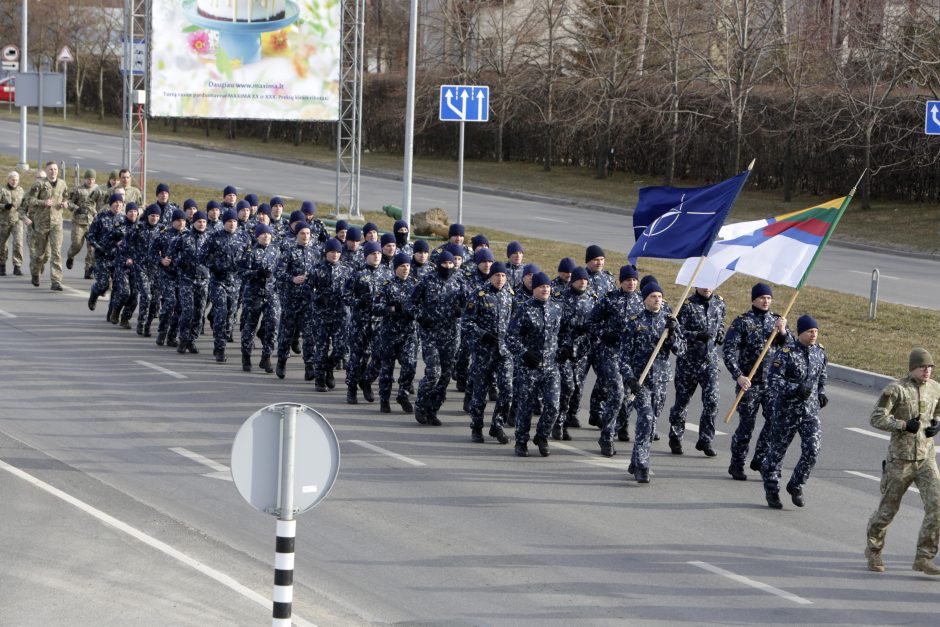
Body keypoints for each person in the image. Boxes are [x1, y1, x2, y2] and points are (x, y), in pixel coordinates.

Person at [865, 348, 940, 575]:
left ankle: (924, 557)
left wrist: (937, 422)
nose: (926, 371)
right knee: (887, 511)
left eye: (929, 367)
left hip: (926, 458)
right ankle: (874, 550)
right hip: (900, 461)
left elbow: (938, 409)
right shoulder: (896, 390)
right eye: (922, 367)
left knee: (937, 507)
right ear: (912, 368)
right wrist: (904, 425)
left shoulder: (936, 388)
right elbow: (876, 418)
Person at [723, 282, 791, 481]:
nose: (765, 301)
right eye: (762, 298)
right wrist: (738, 375)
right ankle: (737, 463)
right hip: (749, 382)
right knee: (747, 425)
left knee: (774, 423)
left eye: (769, 298)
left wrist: (784, 332)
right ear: (754, 299)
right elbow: (728, 351)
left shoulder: (778, 321)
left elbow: (791, 350)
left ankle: (760, 459)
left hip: (771, 384)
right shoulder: (742, 322)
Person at [761, 314, 828, 509]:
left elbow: (821, 376)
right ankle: (772, 489)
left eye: (816, 331)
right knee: (776, 453)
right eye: (810, 331)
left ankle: (796, 484)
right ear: (801, 333)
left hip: (810, 412)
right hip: (787, 411)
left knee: (813, 449)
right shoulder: (786, 353)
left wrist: (821, 392)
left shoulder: (819, 352)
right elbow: (773, 381)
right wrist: (794, 389)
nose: (814, 335)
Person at [621, 281, 685, 483]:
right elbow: (623, 356)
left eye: (659, 296)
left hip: (660, 380)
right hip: (640, 382)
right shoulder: (633, 322)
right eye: (652, 296)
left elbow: (681, 351)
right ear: (644, 299)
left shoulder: (669, 322)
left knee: (650, 423)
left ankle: (635, 459)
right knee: (646, 418)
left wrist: (673, 333)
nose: (657, 299)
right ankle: (642, 465)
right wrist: (630, 378)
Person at [507, 271, 562, 457]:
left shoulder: (556, 309)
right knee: (526, 406)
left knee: (554, 406)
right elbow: (510, 337)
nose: (545, 289)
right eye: (541, 286)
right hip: (529, 367)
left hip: (551, 367)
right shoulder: (524, 309)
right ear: (534, 289)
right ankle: (521, 441)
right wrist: (524, 353)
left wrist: (564, 350)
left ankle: (542, 436)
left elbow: (560, 335)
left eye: (547, 286)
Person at [667, 286, 727, 457]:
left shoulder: (719, 303)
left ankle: (705, 439)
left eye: (710, 285)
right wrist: (695, 335)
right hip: (688, 362)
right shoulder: (687, 306)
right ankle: (676, 436)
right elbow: (678, 331)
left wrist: (721, 333)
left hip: (710, 362)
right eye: (703, 285)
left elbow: (721, 322)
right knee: (682, 402)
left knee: (712, 401)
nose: (707, 288)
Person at [408, 251, 466, 426]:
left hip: (451, 335)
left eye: (450, 264)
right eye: (444, 264)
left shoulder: (460, 281)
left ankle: (432, 409)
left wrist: (461, 311)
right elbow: (411, 303)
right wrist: (420, 316)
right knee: (434, 373)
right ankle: (421, 404)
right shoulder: (427, 281)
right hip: (430, 334)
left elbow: (469, 305)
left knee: (445, 376)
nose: (447, 267)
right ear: (438, 264)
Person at [464, 261, 515, 444]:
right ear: (491, 276)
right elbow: (467, 322)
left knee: (507, 390)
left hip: (504, 352)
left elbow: (514, 322)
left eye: (503, 276)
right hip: (483, 351)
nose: (500, 279)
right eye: (496, 275)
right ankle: (476, 427)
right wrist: (482, 334)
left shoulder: (510, 295)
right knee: (480, 392)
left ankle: (497, 425)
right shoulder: (479, 295)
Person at [345, 241, 389, 404]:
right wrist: (359, 301)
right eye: (373, 253)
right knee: (357, 358)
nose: (376, 256)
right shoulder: (357, 274)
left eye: (378, 253)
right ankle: (351, 389)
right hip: (360, 323)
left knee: (379, 356)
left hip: (379, 323)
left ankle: (367, 381)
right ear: (366, 256)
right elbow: (346, 296)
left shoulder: (386, 274)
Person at [202, 209, 249, 363]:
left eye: (234, 221)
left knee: (231, 315)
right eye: (229, 221)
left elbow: (249, 257)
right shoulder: (214, 237)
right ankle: (220, 347)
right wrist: (214, 265)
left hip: (235, 282)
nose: (232, 224)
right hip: (218, 281)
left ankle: (223, 336)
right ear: (224, 223)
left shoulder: (243, 238)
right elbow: (202, 256)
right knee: (221, 313)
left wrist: (244, 268)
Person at [374, 252, 419, 413]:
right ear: (395, 268)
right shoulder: (386, 285)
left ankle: (403, 394)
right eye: (402, 266)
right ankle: (384, 399)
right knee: (387, 369)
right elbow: (376, 307)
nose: (406, 269)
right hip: (389, 334)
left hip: (408, 333)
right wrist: (392, 309)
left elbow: (421, 305)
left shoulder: (415, 285)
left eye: (407, 266)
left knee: (410, 365)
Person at [555, 267, 596, 440]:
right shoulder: (560, 299)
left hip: (583, 352)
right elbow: (555, 325)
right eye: (579, 279)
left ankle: (571, 415)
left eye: (585, 280)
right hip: (564, 351)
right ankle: (559, 424)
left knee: (578, 388)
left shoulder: (593, 299)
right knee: (567, 387)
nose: (582, 282)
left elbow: (598, 322)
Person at [307, 238, 352, 389]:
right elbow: (306, 290)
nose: (335, 255)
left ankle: (329, 368)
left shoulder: (346, 270)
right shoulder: (316, 269)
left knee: (341, 347)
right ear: (326, 253)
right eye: (332, 252)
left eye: (338, 252)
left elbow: (352, 291)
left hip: (340, 315)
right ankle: (319, 378)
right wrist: (318, 298)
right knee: (321, 348)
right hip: (321, 316)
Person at [274, 222, 316, 376]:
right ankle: (282, 361)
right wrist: (292, 279)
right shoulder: (289, 252)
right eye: (302, 234)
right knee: (287, 333)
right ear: (297, 235)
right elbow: (278, 273)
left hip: (308, 300)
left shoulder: (315, 252)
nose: (305, 236)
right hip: (291, 300)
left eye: (307, 233)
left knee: (309, 335)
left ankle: (309, 365)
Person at [239, 224, 281, 373]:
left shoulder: (276, 250)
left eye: (268, 234)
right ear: (257, 236)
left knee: (273, 325)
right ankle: (246, 356)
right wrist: (257, 273)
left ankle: (267, 356)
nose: (266, 236)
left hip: (271, 294)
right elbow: (241, 272)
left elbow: (280, 270)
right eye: (262, 234)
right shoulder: (250, 252)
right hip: (253, 294)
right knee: (250, 326)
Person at [24, 161, 70, 290]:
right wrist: (43, 202)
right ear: (46, 170)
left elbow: (66, 197)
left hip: (57, 223)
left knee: (56, 252)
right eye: (50, 169)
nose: (53, 171)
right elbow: (29, 200)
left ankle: (56, 281)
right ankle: (35, 272)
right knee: (40, 254)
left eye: (55, 169)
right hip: (41, 223)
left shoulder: (62, 184)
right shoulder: (39, 184)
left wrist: (65, 203)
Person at [86, 194, 126, 313]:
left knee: (118, 287)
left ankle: (112, 312)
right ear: (110, 204)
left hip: (118, 258)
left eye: (120, 202)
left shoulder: (125, 219)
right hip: (103, 257)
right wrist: (99, 247)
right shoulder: (101, 217)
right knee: (103, 285)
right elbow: (90, 236)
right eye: (115, 202)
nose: (118, 204)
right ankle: (94, 294)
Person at [66, 169, 100, 276]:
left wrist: (98, 215)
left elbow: (100, 204)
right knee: (76, 244)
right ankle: (71, 256)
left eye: (93, 179)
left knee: (92, 248)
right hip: (78, 222)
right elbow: (69, 203)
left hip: (92, 223)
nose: (90, 181)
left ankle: (88, 269)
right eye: (89, 179)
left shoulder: (97, 190)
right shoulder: (77, 190)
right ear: (85, 179)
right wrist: (77, 208)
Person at [0, 171, 25, 277]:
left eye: (16, 180)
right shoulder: (2, 190)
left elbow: (24, 205)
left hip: (17, 221)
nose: (14, 182)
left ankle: (17, 266)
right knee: (2, 245)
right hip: (4, 221)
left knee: (18, 243)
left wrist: (25, 216)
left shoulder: (21, 191)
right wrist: (4, 206)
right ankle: (2, 266)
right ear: (8, 180)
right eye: (12, 179)